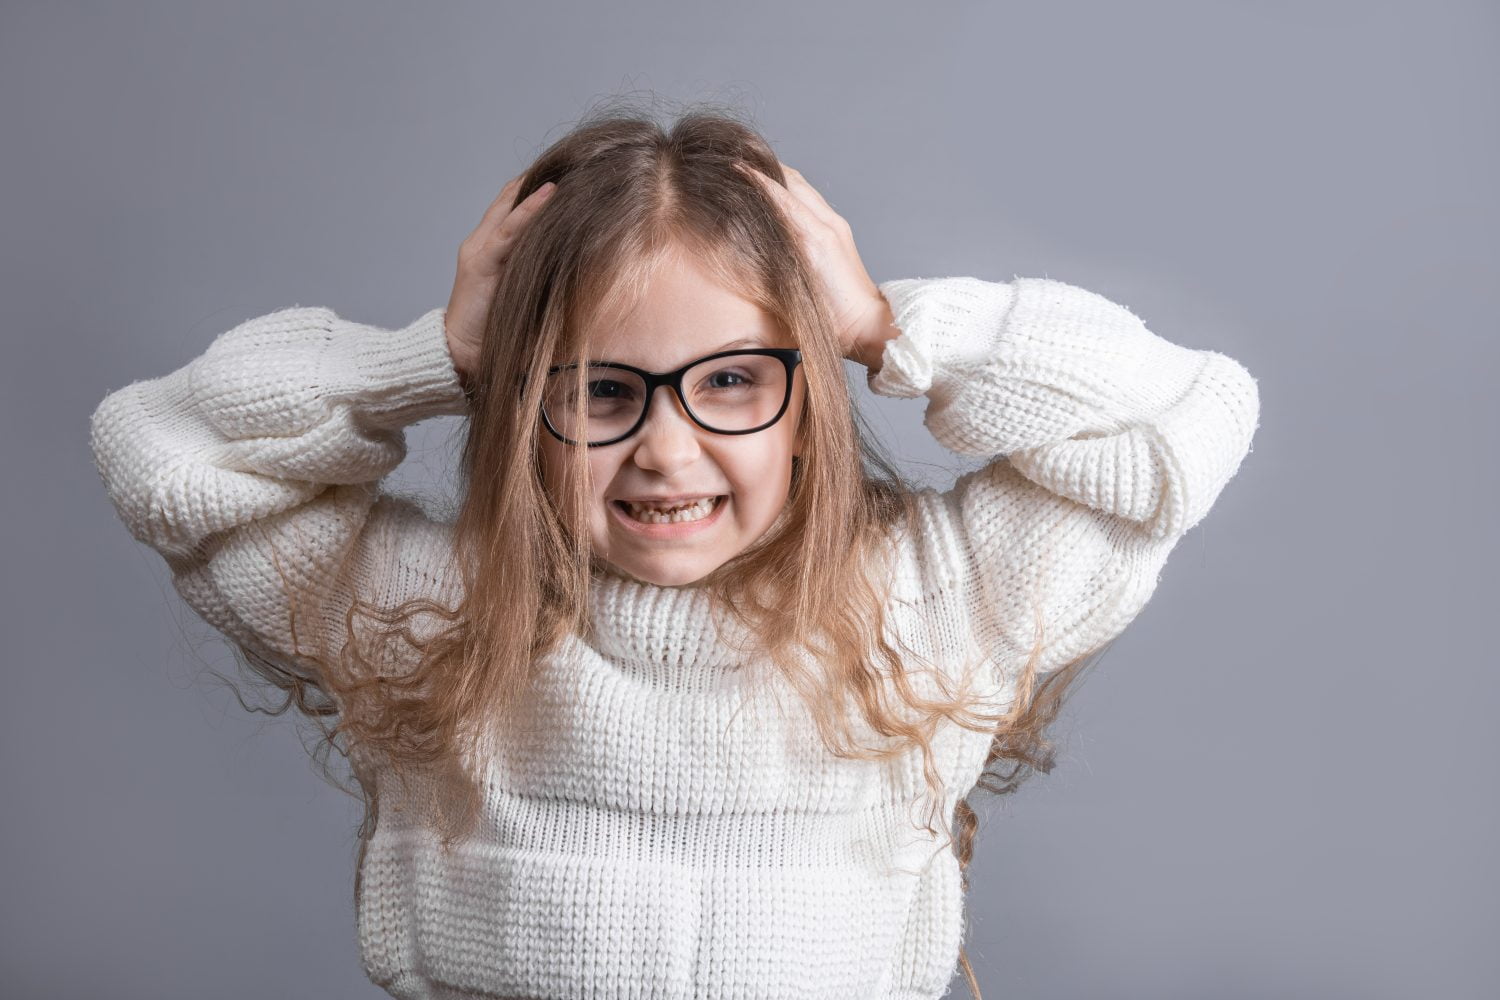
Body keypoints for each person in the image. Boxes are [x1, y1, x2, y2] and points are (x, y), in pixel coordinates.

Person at [88, 105, 1261, 1000]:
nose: (666, 449)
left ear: (807, 400)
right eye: (601, 390)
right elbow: (160, 443)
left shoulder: (934, 602)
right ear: (516, 399)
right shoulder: (429, 613)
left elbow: (1182, 416)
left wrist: (887, 327)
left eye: (734, 380)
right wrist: (434, 354)